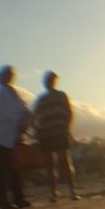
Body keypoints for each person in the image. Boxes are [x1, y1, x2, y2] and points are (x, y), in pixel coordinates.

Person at [0, 65, 31, 209]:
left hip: (10, 137)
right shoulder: (1, 93)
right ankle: (4, 201)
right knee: (3, 170)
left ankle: (18, 198)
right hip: (2, 138)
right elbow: (7, 114)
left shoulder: (10, 92)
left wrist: (25, 117)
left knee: (14, 169)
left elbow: (22, 109)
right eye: (9, 74)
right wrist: (22, 120)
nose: (11, 76)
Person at [34, 71, 79, 201]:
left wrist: (66, 127)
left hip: (55, 133)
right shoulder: (44, 99)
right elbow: (69, 113)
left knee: (61, 162)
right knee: (54, 163)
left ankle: (68, 191)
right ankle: (59, 192)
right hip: (50, 134)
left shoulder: (59, 96)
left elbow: (69, 113)